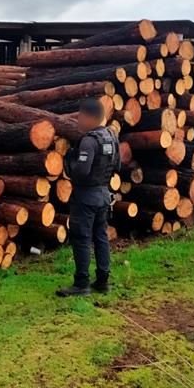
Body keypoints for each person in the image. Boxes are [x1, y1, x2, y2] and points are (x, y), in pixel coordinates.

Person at [57, 98, 121, 297]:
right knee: (101, 236)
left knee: (81, 238)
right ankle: (103, 280)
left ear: (88, 117)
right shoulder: (112, 136)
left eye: (79, 117)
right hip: (103, 195)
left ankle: (81, 283)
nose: (78, 121)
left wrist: (69, 161)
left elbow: (82, 171)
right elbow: (118, 166)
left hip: (86, 196)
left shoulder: (89, 140)